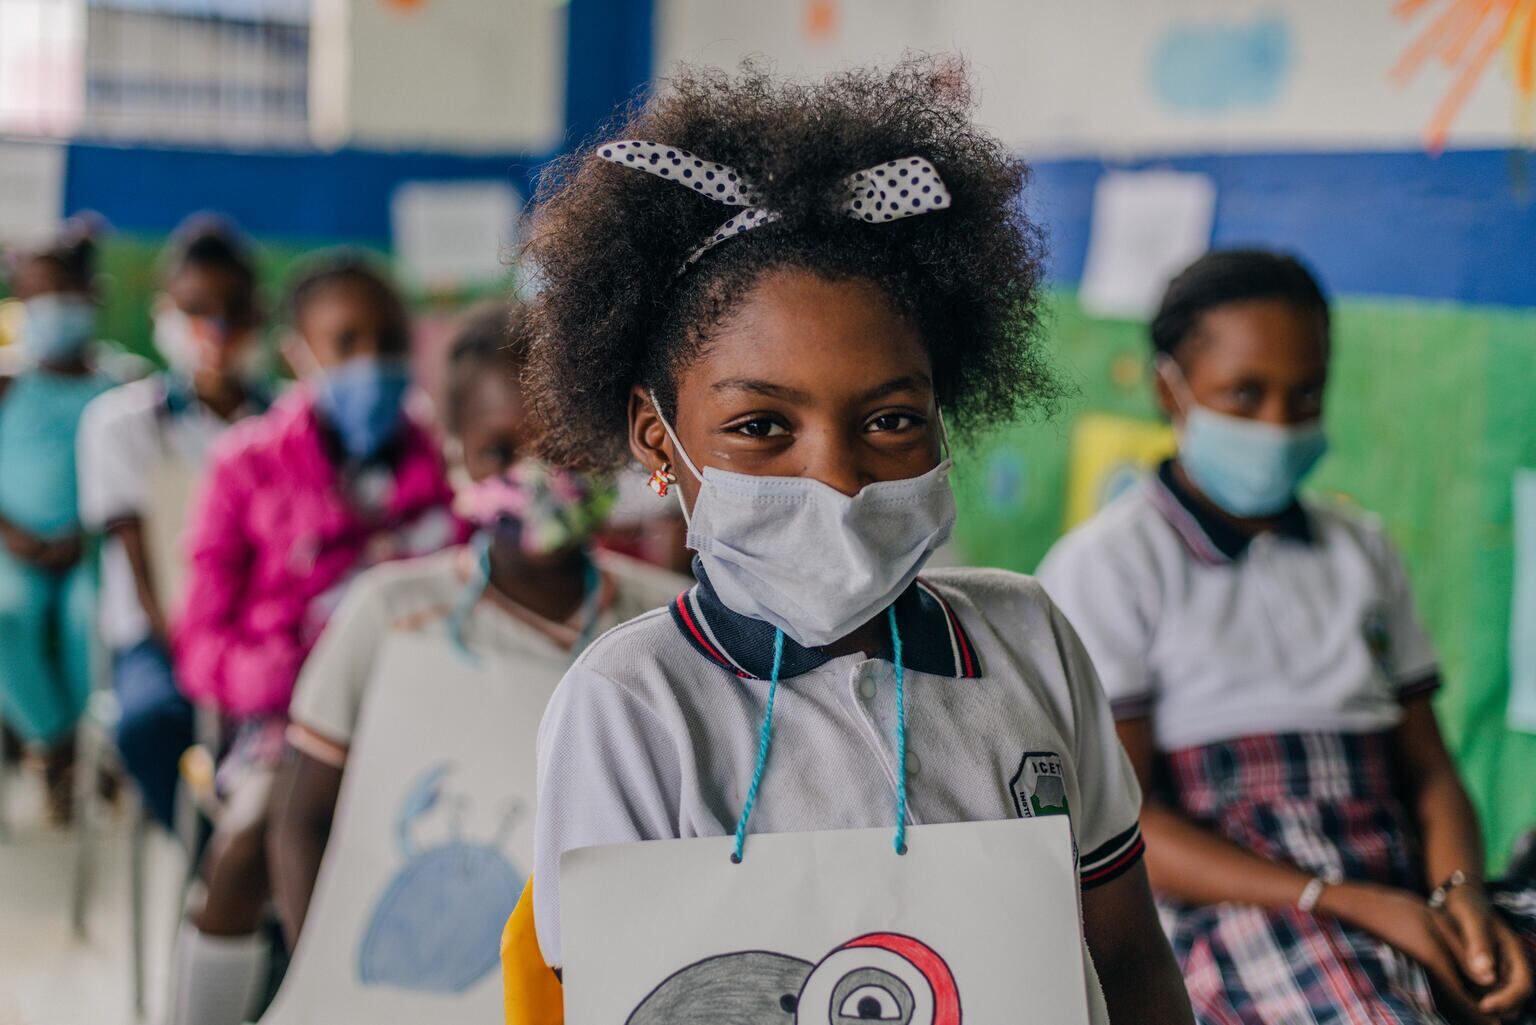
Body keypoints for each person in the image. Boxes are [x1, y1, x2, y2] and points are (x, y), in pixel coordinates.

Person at [507, 60, 1194, 1024]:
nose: (835, 477)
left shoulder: (1029, 638)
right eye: (761, 427)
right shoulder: (630, 705)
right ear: (656, 437)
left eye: (889, 420)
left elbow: (1126, 957)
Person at [1037, 249, 1536, 1025]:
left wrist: (1459, 895)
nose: (1279, 423)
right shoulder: (1110, 565)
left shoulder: (1359, 548)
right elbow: (1123, 821)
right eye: (1245, 395)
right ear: (1171, 389)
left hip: (1402, 875)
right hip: (1239, 900)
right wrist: (1339, 898)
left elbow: (1430, 771)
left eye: (1305, 396)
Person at [267, 299, 684, 950]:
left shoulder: (670, 621)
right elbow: (302, 820)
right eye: (500, 448)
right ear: (455, 453)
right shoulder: (390, 614)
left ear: (614, 443)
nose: (540, 472)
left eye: (564, 444)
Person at [169, 252, 460, 1025]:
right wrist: (292, 670)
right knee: (250, 840)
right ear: (299, 353)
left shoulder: (451, 466)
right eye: (347, 341)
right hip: (285, 722)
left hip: (418, 716)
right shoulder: (245, 467)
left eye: (390, 341)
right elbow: (200, 641)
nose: (373, 363)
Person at [77, 215, 268, 829]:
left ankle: (261, 858)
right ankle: (211, 865)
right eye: (196, 308)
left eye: (234, 310)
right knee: (152, 720)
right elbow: (139, 563)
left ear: (258, 319)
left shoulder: (287, 424)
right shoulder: (121, 422)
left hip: (261, 627)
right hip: (159, 638)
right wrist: (197, 655)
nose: (216, 329)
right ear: (165, 312)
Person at [0, 225, 116, 821]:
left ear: (92, 297)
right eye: (38, 297)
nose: (54, 311)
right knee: (6, 616)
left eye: (65, 295)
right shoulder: (7, 383)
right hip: (11, 546)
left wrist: (87, 537)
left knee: (91, 618)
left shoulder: (122, 385)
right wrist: (11, 533)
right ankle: (55, 743)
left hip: (92, 549)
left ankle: (92, 747)